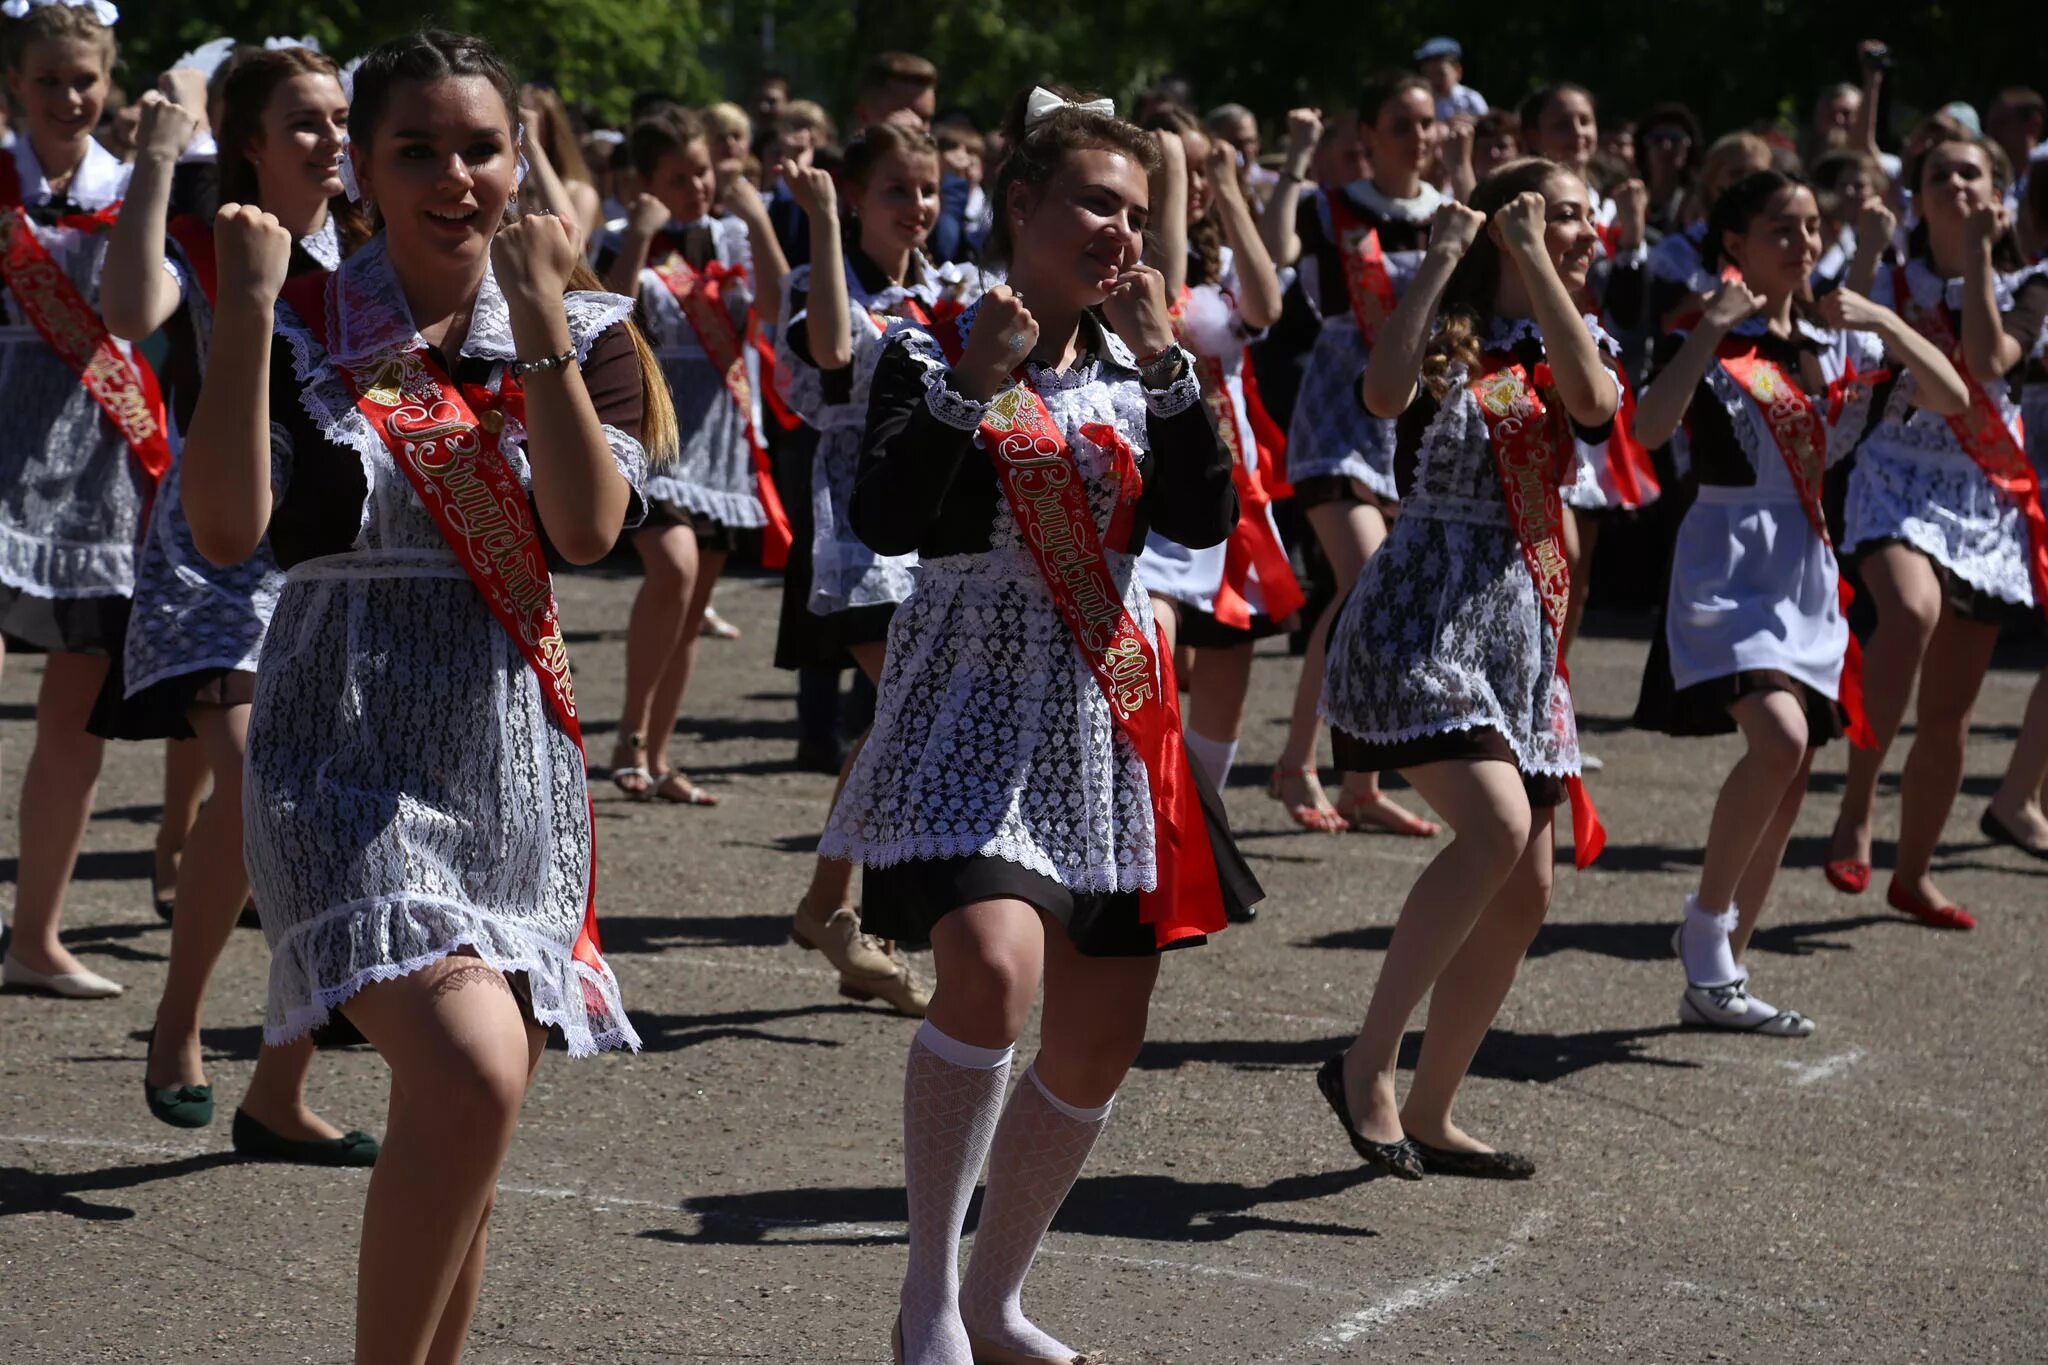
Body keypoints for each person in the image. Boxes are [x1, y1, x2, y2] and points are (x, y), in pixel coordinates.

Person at [180, 28, 664, 1361]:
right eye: (417, 150)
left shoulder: (590, 331)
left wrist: (550, 316)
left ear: (524, 160)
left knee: (472, 1121)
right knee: (471, 1072)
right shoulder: (296, 317)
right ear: (363, 170)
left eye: (481, 147)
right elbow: (229, 532)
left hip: (505, 769)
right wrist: (237, 313)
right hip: (339, 756)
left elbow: (581, 529)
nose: (455, 175)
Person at [820, 85, 1258, 1362]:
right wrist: (971, 380)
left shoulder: (1142, 360)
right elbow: (889, 515)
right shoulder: (924, 335)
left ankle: (998, 1296)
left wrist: (1170, 369)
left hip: (1106, 720)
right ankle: (925, 1300)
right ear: (1022, 206)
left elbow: (1200, 519)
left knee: (1100, 1037)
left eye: (1133, 212)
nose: (1118, 232)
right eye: (1091, 205)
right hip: (968, 702)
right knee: (994, 969)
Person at [93, 43, 381, 1161]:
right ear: (251, 142)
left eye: (341, 119)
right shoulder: (215, 245)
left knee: (261, 805)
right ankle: (179, 1030)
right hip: (215, 559)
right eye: (304, 122)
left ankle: (276, 1090)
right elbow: (125, 311)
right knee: (276, 786)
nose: (330, 141)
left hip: (321, 561)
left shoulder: (370, 257)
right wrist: (161, 161)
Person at [1318, 158, 1615, 1181]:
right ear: (1505, 224)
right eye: (1560, 214)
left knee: (1525, 885)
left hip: (1515, 634)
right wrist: (1445, 254)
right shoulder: (1445, 326)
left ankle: (1436, 1107)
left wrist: (1537, 259)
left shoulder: (1570, 333)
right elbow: (1379, 390)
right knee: (1492, 826)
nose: (1582, 229)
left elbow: (1593, 406)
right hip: (1418, 619)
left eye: (1582, 215)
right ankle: (1367, 1068)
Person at [1631, 169, 1967, 1033]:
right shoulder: (1705, 333)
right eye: (1784, 229)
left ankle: (1723, 975)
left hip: (1807, 571)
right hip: (1726, 563)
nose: (1805, 244)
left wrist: (1886, 318)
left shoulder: (1835, 347)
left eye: (1814, 228)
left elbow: (1954, 397)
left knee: (1790, 774)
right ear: (1736, 243)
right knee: (1778, 740)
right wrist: (1708, 328)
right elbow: (1646, 430)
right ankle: (1704, 928)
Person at [1827, 133, 2048, 929]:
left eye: (1971, 172)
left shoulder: (2030, 283)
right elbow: (1839, 337)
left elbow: (1987, 362)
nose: (1953, 183)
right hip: (1894, 477)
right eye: (1937, 174)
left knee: (1950, 714)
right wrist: (1865, 250)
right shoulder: (1889, 274)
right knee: (1910, 611)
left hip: (1982, 494)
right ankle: (1855, 807)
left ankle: (1912, 874)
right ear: (1915, 196)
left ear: (1999, 191)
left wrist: (1985, 256)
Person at [774, 123, 966, 1018]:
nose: (918, 207)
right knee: (907, 709)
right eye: (897, 189)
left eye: (928, 190)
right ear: (854, 195)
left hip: (927, 519)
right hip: (853, 524)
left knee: (905, 714)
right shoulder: (820, 277)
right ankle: (851, 913)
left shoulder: (942, 288)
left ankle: (835, 910)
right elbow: (835, 356)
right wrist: (815, 221)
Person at [0, 0, 154, 999]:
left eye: (85, 79)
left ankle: (35, 937)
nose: (70, 97)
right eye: (50, 79)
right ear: (14, 80)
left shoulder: (132, 188)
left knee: (78, 718)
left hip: (93, 476)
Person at [1263, 76, 1445, 838]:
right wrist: (1300, 158)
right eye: (1401, 124)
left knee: (1384, 592)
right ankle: (1298, 761)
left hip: (1414, 418)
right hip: (1340, 412)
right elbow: (1276, 252)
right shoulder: (1330, 204)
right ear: (1366, 135)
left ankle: (1361, 781)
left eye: (1427, 123)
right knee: (1367, 580)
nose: (1419, 136)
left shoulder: (1446, 212)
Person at [599, 107, 790, 806]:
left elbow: (774, 306)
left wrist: (761, 221)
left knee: (691, 607)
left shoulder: (733, 238)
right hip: (651, 441)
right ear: (644, 183)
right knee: (673, 569)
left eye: (703, 171)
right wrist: (641, 232)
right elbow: (602, 317)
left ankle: (658, 751)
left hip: (720, 450)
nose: (697, 186)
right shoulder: (625, 240)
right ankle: (627, 735)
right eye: (678, 177)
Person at [1137, 106, 1298, 799]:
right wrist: (1167, 184)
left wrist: (1230, 192)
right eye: (1183, 167)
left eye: (1203, 167)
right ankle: (1141, 817)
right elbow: (1162, 308)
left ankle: (1198, 834)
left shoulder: (1224, 256)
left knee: (1230, 661)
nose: (1194, 181)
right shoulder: (1130, 251)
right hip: (1158, 490)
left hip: (1233, 481)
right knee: (1155, 662)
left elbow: (1265, 309)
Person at [1415, 37, 1486, 124]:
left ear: (1458, 71)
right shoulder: (1423, 103)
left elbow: (1487, 127)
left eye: (1441, 74)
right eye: (1430, 75)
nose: (1436, 80)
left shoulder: (1471, 99)